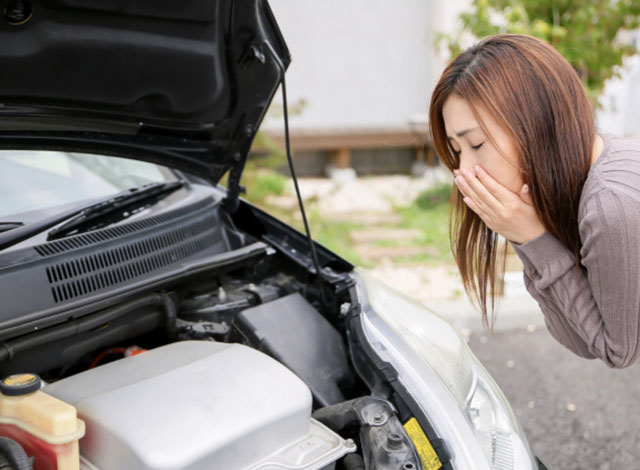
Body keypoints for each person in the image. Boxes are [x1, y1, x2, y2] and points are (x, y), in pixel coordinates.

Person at [428, 33, 640, 369]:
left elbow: (617, 350)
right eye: (457, 150)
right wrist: (530, 239)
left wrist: (535, 240)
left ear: (535, 125)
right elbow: (583, 340)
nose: (463, 169)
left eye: (477, 144)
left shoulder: (609, 206)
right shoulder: (597, 158)